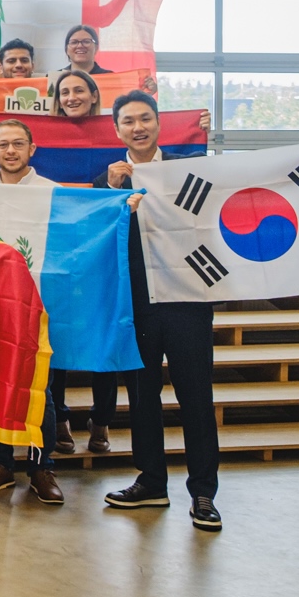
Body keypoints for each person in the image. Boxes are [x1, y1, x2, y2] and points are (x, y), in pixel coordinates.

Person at [96, 91, 221, 530]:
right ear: (117, 130)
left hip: (188, 302)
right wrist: (113, 193)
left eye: (145, 118)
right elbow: (98, 238)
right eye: (128, 121)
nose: (138, 127)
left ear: (158, 124)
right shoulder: (108, 180)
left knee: (196, 399)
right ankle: (151, 482)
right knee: (142, 397)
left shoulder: (187, 173)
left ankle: (203, 493)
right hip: (137, 306)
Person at [0, 118, 64, 506]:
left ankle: (42, 467)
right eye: (3, 145)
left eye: (18, 144)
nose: (10, 151)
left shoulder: (53, 193)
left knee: (42, 387)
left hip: (40, 303)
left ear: (32, 149)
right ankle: (0, 464)